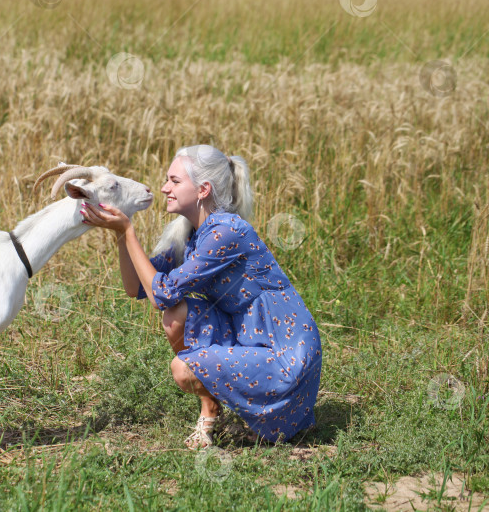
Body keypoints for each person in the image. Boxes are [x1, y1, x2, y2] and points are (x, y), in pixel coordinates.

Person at [80, 145, 322, 448]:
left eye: (175, 181)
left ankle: (266, 416)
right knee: (176, 315)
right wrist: (119, 234)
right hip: (248, 338)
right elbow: (138, 288)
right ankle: (213, 410)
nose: (165, 188)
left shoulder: (227, 232)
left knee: (182, 368)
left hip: (286, 356)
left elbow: (161, 294)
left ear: (203, 190)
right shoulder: (192, 234)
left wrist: (128, 231)